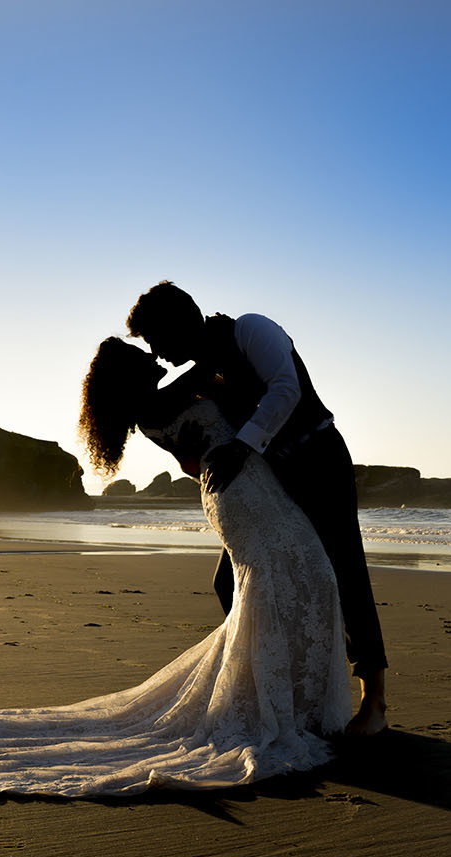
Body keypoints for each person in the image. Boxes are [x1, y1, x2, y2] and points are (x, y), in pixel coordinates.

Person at [0, 338, 350, 796]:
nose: (157, 359)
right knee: (303, 580)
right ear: (133, 377)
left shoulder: (147, 412)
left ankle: (284, 702)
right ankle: (287, 708)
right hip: (245, 494)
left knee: (286, 585)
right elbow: (216, 366)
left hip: (233, 495)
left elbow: (194, 435)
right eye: (146, 358)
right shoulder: (162, 399)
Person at [125, 281, 389, 736]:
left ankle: (375, 701)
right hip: (271, 479)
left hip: (319, 458)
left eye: (155, 340)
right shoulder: (199, 372)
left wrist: (243, 447)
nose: (158, 353)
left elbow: (284, 390)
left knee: (344, 570)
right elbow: (173, 421)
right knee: (228, 581)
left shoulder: (251, 330)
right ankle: (278, 690)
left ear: (179, 321)